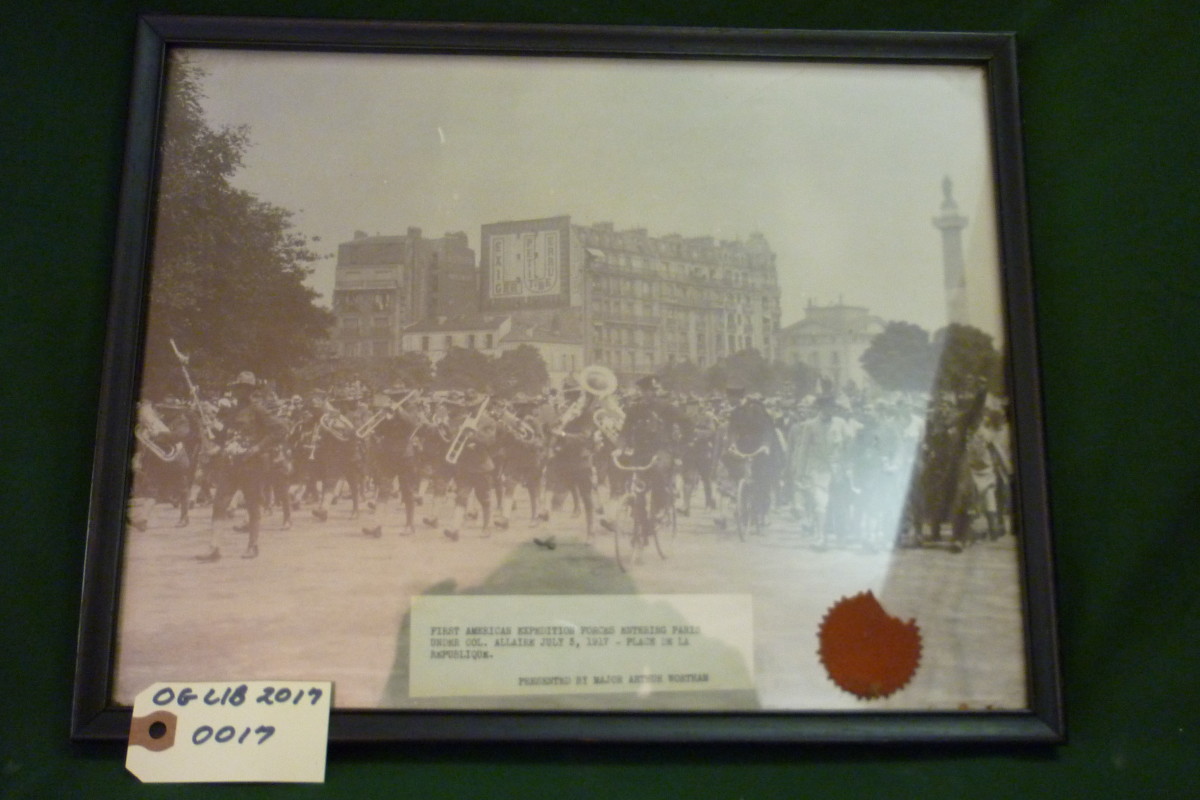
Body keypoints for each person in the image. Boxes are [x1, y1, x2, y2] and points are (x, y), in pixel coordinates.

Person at [198, 371, 288, 561]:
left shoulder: (259, 410)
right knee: (219, 503)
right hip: (231, 463)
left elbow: (281, 429)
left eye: (246, 388)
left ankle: (252, 545)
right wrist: (211, 427)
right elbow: (226, 435)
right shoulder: (231, 411)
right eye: (238, 387)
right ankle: (215, 548)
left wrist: (258, 447)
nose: (241, 391)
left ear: (251, 391)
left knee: (253, 505)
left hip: (252, 464)